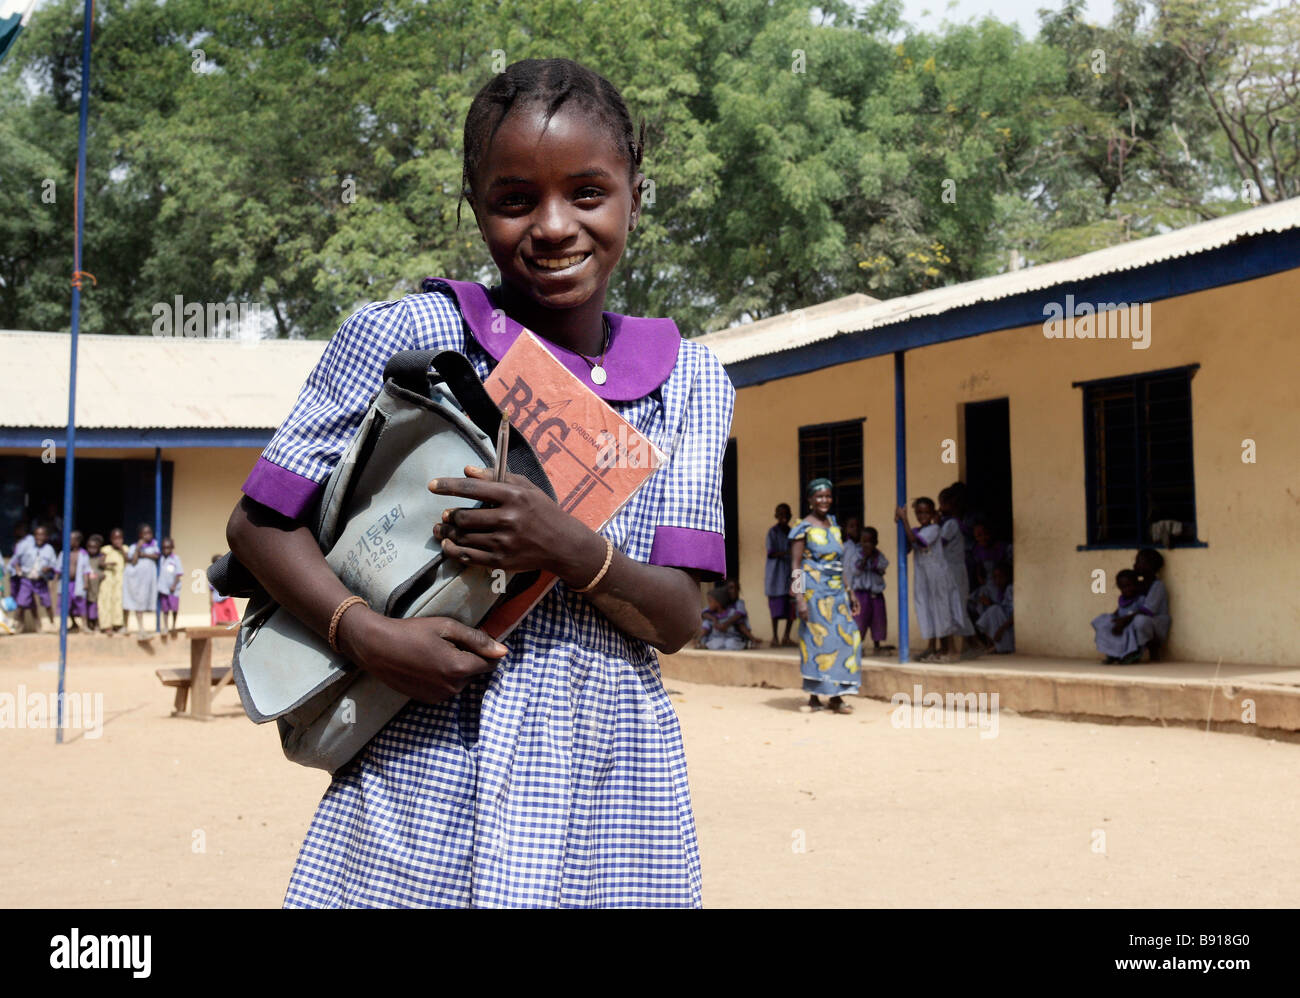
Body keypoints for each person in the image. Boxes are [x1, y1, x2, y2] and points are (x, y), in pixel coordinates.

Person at [222, 59, 732, 909]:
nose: (554, 226)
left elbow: (677, 619)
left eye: (589, 193)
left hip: (606, 783)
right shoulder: (415, 334)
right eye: (514, 199)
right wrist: (368, 638)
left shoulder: (689, 383)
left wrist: (566, 547)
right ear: (475, 203)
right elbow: (257, 524)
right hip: (422, 754)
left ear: (636, 194)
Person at [789, 478, 861, 714]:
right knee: (816, 640)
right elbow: (796, 564)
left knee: (847, 639)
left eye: (828, 496)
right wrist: (799, 597)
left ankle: (837, 696)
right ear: (810, 500)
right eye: (819, 496)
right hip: (813, 593)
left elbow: (840, 563)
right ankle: (814, 697)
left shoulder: (834, 525)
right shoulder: (803, 528)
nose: (824, 500)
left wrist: (850, 593)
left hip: (838, 593)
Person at [895, 498, 966, 663]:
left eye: (926, 512)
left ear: (933, 513)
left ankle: (950, 650)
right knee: (927, 610)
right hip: (924, 577)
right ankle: (933, 648)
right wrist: (899, 523)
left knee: (942, 611)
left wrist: (904, 519)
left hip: (937, 577)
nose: (922, 516)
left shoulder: (934, 529)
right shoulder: (916, 530)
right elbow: (906, 545)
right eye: (919, 513)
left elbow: (916, 541)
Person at [937, 487, 975, 647]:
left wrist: (933, 525)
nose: (940, 508)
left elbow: (939, 543)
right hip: (957, 570)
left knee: (956, 607)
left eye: (943, 504)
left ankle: (971, 644)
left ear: (953, 505)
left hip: (953, 570)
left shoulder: (951, 524)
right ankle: (971, 644)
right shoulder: (955, 524)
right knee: (958, 607)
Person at [1092, 569, 1151, 664]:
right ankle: (1112, 654)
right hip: (1120, 626)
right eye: (1123, 587)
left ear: (1136, 584)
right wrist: (1114, 620)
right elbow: (1118, 612)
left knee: (1132, 629)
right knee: (1104, 621)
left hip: (1129, 627)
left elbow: (1142, 612)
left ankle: (1132, 654)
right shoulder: (1122, 600)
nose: (1126, 589)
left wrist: (1125, 621)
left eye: (1129, 586)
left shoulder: (1140, 599)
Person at [11, 524, 58, 633]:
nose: (39, 537)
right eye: (37, 535)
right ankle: (16, 625)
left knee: (47, 603)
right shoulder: (26, 546)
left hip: (41, 580)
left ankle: (52, 624)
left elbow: (54, 565)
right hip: (26, 579)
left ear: (46, 537)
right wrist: (18, 569)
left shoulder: (49, 549)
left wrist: (49, 568)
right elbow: (15, 560)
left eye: (42, 535)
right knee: (21, 603)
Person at [765, 503, 796, 647]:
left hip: (790, 574)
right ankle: (775, 637)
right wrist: (787, 553)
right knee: (776, 607)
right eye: (780, 514)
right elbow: (771, 552)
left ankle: (786, 636)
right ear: (776, 516)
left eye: (786, 513)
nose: (784, 517)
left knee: (792, 607)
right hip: (776, 575)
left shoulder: (793, 532)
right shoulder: (772, 532)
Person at [857, 526, 892, 654]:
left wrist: (873, 558)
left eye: (870, 542)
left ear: (875, 542)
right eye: (864, 541)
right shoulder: (858, 554)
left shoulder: (878, 555)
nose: (867, 545)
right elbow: (857, 569)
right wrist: (866, 558)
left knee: (878, 620)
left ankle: (877, 646)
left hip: (876, 594)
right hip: (861, 594)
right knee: (860, 621)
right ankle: (858, 646)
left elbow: (883, 566)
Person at [123, 523, 160, 639]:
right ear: (140, 535)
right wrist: (139, 547)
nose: (147, 535)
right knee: (129, 600)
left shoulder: (154, 545)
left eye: (149, 533)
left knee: (141, 602)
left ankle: (141, 629)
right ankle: (129, 627)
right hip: (134, 578)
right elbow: (133, 561)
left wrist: (143, 554)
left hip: (146, 581)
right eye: (145, 533)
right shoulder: (134, 546)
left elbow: (156, 556)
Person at [1133, 547, 1171, 661]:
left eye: (1139, 562)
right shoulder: (1137, 585)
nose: (1135, 565)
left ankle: (1152, 650)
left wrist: (1126, 618)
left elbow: (1148, 610)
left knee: (1140, 621)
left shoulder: (1157, 586)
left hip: (1155, 624)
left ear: (1150, 566)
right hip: (1137, 619)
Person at [973, 561, 1015, 653]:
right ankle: (992, 644)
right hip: (1003, 624)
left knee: (994, 610)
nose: (997, 580)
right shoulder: (998, 591)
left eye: (1000, 577)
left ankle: (1000, 646)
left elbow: (1014, 614)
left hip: (1009, 627)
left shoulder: (1010, 589)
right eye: (995, 577)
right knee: (990, 609)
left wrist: (1001, 629)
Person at [698, 585, 746, 650]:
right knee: (716, 643)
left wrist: (753, 639)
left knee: (730, 643)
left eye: (710, 601)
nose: (709, 604)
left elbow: (742, 627)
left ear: (718, 603)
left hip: (732, 638)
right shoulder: (711, 615)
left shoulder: (732, 613)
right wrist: (698, 639)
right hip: (717, 639)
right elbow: (704, 626)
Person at [98, 528, 127, 636]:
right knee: (106, 601)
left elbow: (128, 560)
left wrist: (121, 550)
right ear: (111, 539)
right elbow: (100, 563)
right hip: (108, 578)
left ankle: (117, 624)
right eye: (115, 538)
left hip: (120, 579)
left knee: (118, 601)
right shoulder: (106, 550)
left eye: (119, 538)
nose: (117, 541)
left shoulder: (125, 549)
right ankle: (106, 626)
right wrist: (109, 564)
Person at [156, 538, 183, 634]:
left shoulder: (175, 559)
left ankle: (173, 626)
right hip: (163, 588)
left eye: (168, 547)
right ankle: (166, 627)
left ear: (172, 548)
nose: (166, 550)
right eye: (164, 548)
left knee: (174, 608)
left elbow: (179, 573)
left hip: (173, 590)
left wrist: (174, 585)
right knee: (165, 609)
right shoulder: (161, 558)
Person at [65, 530, 88, 633]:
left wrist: (86, 583)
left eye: (71, 539)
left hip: (78, 584)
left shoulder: (83, 554)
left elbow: (86, 569)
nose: (69, 541)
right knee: (68, 605)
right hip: (67, 584)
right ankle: (74, 624)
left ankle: (85, 625)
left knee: (81, 604)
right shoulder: (65, 552)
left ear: (77, 541)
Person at [210, 554, 241, 625]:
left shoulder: (227, 572)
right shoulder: (212, 575)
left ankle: (233, 628)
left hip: (227, 598)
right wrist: (211, 601)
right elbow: (211, 590)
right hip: (217, 600)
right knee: (219, 620)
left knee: (233, 617)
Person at [82, 534, 104, 631]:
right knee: (86, 606)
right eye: (90, 547)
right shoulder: (84, 557)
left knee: (95, 607)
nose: (92, 550)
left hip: (97, 589)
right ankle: (88, 624)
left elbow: (103, 573)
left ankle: (96, 625)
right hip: (86, 588)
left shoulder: (100, 558)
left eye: (95, 547)